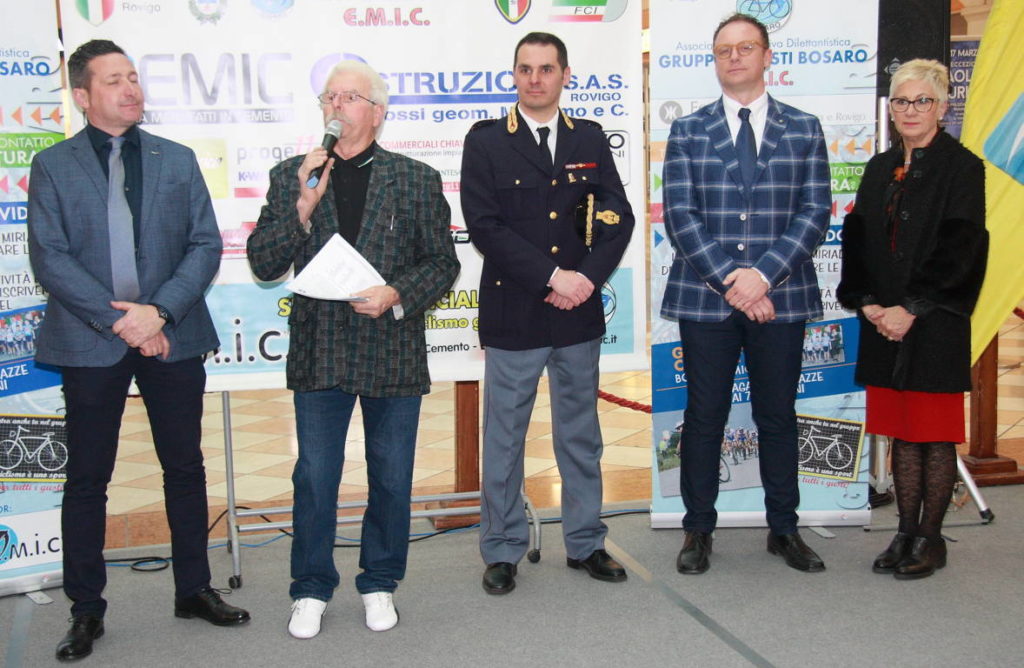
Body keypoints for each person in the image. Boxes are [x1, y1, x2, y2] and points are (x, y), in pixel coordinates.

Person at [27, 39, 249, 662]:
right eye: (114, 80)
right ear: (82, 95)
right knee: (88, 478)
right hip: (89, 338)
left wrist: (159, 312)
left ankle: (194, 589)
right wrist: (123, 322)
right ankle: (86, 609)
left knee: (184, 467)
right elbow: (50, 258)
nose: (131, 89)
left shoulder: (175, 158)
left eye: (133, 77)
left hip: (172, 334)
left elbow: (205, 245)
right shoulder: (53, 165)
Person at [247, 60, 459, 638]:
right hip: (320, 349)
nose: (336, 107)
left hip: (391, 347)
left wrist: (396, 292)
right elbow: (264, 262)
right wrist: (302, 207)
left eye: (349, 97)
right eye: (329, 98)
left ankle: (380, 581)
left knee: (391, 475)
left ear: (377, 112)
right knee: (315, 476)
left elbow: (442, 262)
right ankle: (311, 588)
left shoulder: (414, 178)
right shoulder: (293, 174)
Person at [460, 31, 634, 595]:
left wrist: (585, 279)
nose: (535, 79)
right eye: (525, 69)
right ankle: (502, 548)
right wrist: (552, 277)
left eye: (546, 68)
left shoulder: (589, 137)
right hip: (516, 310)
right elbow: (485, 226)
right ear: (514, 75)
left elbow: (617, 217)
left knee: (581, 435)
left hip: (577, 312)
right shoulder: (487, 141)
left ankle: (585, 542)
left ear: (565, 75)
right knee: (504, 438)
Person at [660, 14, 831, 575]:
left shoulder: (804, 128)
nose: (734, 57)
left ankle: (784, 528)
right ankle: (698, 529)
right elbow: (680, 215)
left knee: (777, 416)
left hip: (781, 298)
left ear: (766, 56)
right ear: (715, 60)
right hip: (706, 299)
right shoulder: (688, 130)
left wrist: (764, 276)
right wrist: (735, 280)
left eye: (745, 47)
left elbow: (814, 211)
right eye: (724, 50)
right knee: (704, 416)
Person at [837, 59, 987, 580]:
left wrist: (913, 309)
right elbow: (857, 238)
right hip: (883, 321)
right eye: (901, 101)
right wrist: (867, 301)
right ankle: (904, 532)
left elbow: (962, 248)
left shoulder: (962, 167)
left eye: (922, 100)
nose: (910, 110)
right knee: (901, 433)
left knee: (934, 436)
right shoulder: (879, 167)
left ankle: (931, 538)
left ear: (942, 107)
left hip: (934, 321)